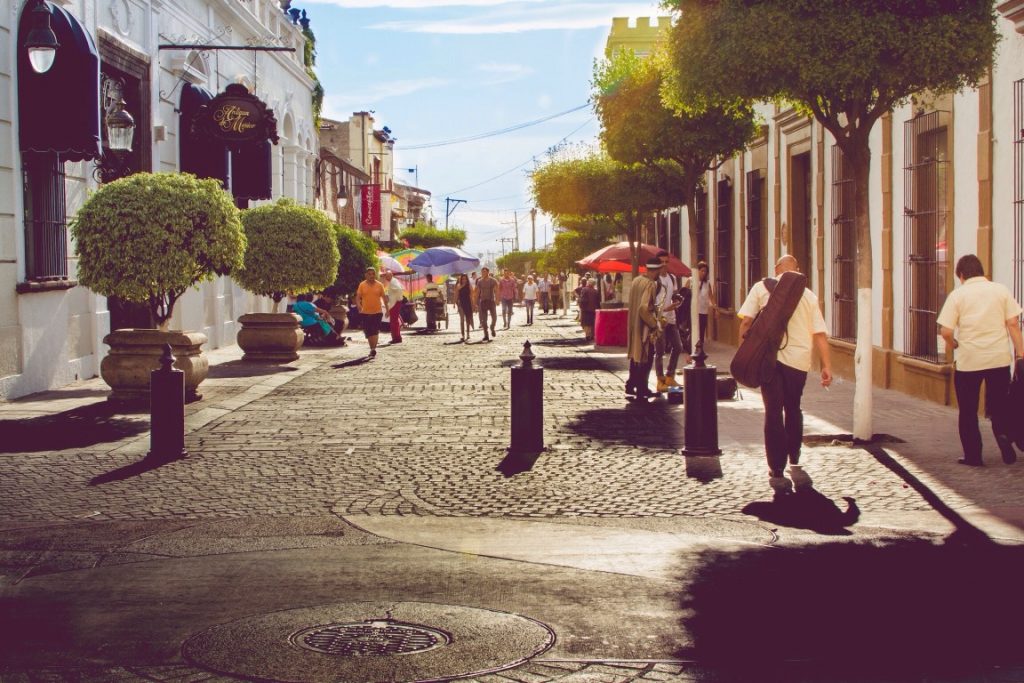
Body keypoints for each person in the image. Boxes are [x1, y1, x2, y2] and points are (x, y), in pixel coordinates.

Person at [737, 255, 832, 498]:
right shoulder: (808, 295)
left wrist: (746, 354)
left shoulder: (761, 287)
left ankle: (775, 468)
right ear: (797, 271)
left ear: (776, 269)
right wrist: (826, 366)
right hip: (798, 362)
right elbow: (820, 334)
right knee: (793, 407)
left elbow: (746, 323)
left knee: (772, 410)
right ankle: (794, 455)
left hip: (769, 360)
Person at [937, 254, 1024, 466]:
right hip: (998, 360)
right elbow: (1012, 323)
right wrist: (1021, 354)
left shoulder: (958, 295)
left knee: (968, 410)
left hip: (969, 362)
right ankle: (1003, 436)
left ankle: (973, 456)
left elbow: (946, 331)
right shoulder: (1000, 290)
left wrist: (954, 344)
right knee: (1000, 405)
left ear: (962, 275)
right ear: (982, 271)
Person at [625, 258, 663, 401]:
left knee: (636, 356)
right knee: (646, 356)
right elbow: (643, 308)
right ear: (657, 270)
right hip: (644, 327)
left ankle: (630, 385)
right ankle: (642, 388)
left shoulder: (636, 280)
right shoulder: (650, 284)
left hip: (634, 324)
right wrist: (654, 323)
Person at [653, 250, 686, 392]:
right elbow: (652, 304)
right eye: (661, 262)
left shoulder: (672, 278)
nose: (664, 265)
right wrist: (666, 308)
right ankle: (660, 380)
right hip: (660, 319)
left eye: (667, 262)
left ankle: (670, 376)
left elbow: (673, 294)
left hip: (671, 319)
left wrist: (678, 299)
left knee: (678, 347)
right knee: (660, 351)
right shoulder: (655, 280)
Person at [356, 267, 389, 358]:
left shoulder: (379, 285)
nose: (371, 276)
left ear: (375, 275)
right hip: (365, 312)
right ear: (366, 275)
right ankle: (372, 348)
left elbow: (384, 298)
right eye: (369, 274)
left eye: (373, 274)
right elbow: (358, 297)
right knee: (368, 332)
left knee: (375, 331)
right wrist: (358, 304)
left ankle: (373, 349)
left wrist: (387, 310)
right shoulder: (362, 285)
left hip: (377, 312)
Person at [695, 261, 716, 350]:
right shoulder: (691, 280)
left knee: (701, 330)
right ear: (698, 271)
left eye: (705, 271)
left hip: (703, 310)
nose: (703, 273)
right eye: (702, 271)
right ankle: (692, 347)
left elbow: (711, 298)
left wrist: (716, 309)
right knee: (694, 330)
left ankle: (700, 348)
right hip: (693, 311)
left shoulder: (707, 284)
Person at [475, 266, 499, 341]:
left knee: (494, 317)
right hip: (483, 301)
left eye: (484, 272)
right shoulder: (479, 281)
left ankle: (492, 327)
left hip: (491, 301)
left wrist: (497, 299)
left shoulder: (493, 281)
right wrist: (476, 302)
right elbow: (477, 292)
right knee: (484, 320)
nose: (483, 273)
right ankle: (486, 335)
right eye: (482, 272)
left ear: (488, 272)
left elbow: (496, 290)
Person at [382, 271, 405, 344]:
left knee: (393, 321)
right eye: (385, 276)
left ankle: (396, 338)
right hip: (395, 302)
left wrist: (398, 299)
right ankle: (397, 337)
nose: (386, 277)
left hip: (394, 303)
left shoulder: (393, 282)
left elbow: (399, 289)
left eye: (387, 275)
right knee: (394, 321)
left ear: (391, 275)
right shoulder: (394, 281)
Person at [454, 273, 475, 341]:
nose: (464, 280)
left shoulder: (469, 285)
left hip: (468, 303)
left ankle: (468, 334)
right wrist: (454, 302)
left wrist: (473, 304)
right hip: (461, 304)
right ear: (461, 279)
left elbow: (472, 295)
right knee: (462, 320)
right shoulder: (458, 285)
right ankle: (462, 335)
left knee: (468, 319)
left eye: (465, 279)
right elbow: (456, 294)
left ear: (467, 279)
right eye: (463, 279)